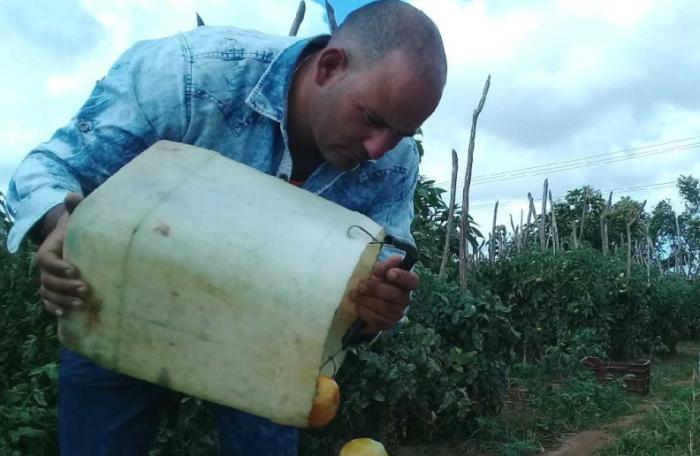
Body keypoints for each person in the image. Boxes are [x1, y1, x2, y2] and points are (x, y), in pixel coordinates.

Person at [5, 0, 447, 454]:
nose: (379, 148)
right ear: (330, 67)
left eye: (402, 133)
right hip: (125, 295)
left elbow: (385, 269)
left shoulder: (394, 164)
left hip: (270, 332)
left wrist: (378, 307)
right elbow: (49, 169)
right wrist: (61, 227)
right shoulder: (193, 74)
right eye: (372, 119)